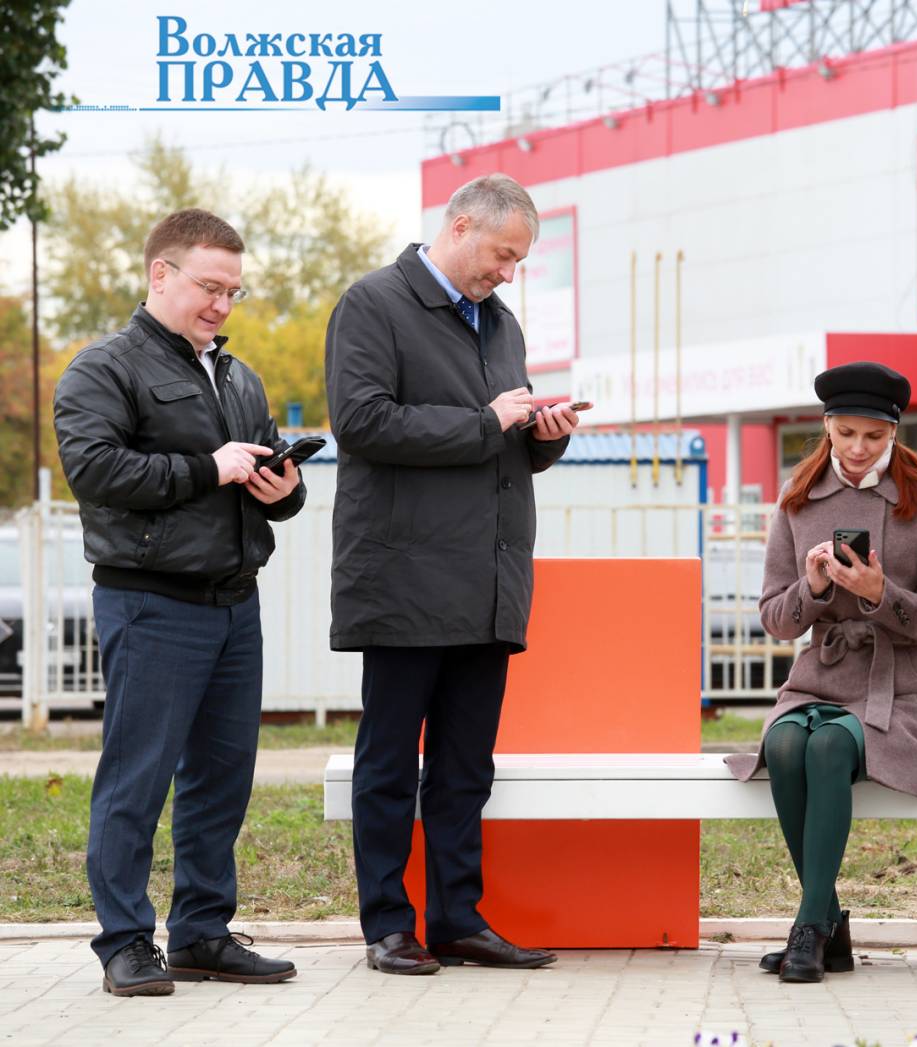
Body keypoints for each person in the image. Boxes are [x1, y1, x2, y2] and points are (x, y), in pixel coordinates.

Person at [324, 173, 578, 976]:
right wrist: (486, 422)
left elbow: (504, 440)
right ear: (461, 226)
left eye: (518, 262)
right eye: (503, 254)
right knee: (392, 762)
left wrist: (544, 433)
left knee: (468, 765)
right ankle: (387, 925)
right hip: (402, 580)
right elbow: (360, 421)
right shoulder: (373, 303)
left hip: (488, 580)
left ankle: (457, 917)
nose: (508, 273)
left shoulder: (500, 325)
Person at [53, 208, 306, 996]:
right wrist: (210, 467)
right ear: (160, 274)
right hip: (152, 603)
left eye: (233, 290)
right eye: (209, 286)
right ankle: (125, 942)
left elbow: (255, 481)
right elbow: (95, 472)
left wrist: (283, 489)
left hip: (236, 603)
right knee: (138, 779)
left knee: (221, 779)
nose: (222, 305)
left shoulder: (238, 375)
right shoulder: (103, 369)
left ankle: (201, 932)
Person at [727, 362, 917, 983]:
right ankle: (828, 925)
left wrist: (883, 594)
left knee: (829, 746)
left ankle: (808, 930)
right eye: (847, 433)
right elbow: (777, 619)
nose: (858, 450)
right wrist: (812, 585)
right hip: (819, 674)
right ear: (826, 427)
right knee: (783, 741)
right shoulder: (797, 497)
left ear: (894, 433)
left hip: (902, 684)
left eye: (874, 437)